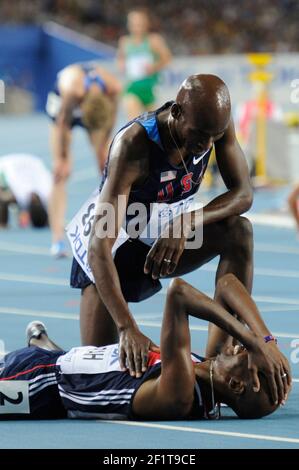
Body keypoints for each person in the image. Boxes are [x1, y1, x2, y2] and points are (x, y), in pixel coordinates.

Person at [68, 73, 254, 379]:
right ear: (177, 113)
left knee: (239, 232)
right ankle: (42, 345)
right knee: (101, 374)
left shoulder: (213, 124)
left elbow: (244, 193)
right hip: (113, 254)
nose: (206, 144)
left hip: (167, 240)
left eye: (214, 135)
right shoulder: (133, 146)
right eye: (199, 135)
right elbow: (98, 246)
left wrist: (188, 220)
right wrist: (128, 327)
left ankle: (219, 357)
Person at [0, 275, 291, 421]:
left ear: (236, 384)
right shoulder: (209, 369)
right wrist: (267, 341)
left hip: (40, 383)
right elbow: (228, 285)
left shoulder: (181, 393)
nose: (242, 347)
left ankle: (38, 342)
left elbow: (178, 292)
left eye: (249, 358)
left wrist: (254, 342)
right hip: (61, 361)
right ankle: (40, 340)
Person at [46, 62, 122, 257]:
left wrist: (102, 150)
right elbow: (63, 123)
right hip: (61, 108)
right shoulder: (72, 91)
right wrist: (62, 158)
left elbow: (109, 121)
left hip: (95, 106)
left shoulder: (114, 88)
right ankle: (57, 240)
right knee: (61, 172)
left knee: (107, 166)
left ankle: (110, 233)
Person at [117, 8, 172, 120]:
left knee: (152, 125)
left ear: (146, 24)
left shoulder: (154, 40)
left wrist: (154, 67)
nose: (137, 27)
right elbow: (120, 59)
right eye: (134, 24)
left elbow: (167, 58)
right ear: (129, 25)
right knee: (134, 124)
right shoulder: (124, 41)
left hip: (150, 88)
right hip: (132, 87)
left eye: (140, 24)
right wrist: (122, 65)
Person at [0, 153, 51, 229]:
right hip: (7, 164)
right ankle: (2, 222)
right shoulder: (47, 192)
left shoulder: (47, 193)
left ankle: (2, 222)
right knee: (4, 197)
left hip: (33, 162)